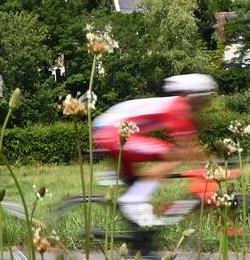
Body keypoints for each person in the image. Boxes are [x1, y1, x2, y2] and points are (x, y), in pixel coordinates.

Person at [92, 73, 217, 228]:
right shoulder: (178, 108)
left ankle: (138, 235)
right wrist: (212, 165)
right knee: (172, 156)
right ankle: (133, 201)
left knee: (135, 182)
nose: (206, 103)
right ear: (194, 97)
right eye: (205, 99)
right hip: (112, 133)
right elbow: (187, 147)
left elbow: (193, 144)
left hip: (108, 129)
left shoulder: (174, 105)